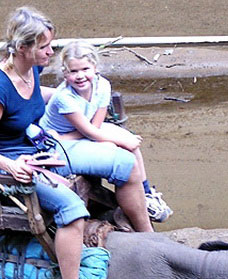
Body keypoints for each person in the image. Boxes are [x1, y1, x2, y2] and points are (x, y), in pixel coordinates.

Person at [0, 6, 152, 279]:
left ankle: (147, 238)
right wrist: (12, 166)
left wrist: (74, 99)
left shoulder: (29, 72)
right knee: (71, 209)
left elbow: (35, 100)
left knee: (124, 164)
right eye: (45, 48)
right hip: (10, 163)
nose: (51, 53)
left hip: (40, 147)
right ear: (23, 48)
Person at [40, 40, 174, 222]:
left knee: (131, 145)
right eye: (73, 71)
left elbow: (95, 125)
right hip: (57, 141)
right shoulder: (64, 98)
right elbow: (89, 131)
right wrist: (118, 142)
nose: (80, 76)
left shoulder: (102, 85)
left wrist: (123, 140)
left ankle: (147, 193)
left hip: (78, 131)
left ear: (95, 68)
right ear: (65, 74)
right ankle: (132, 197)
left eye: (85, 69)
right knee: (120, 146)